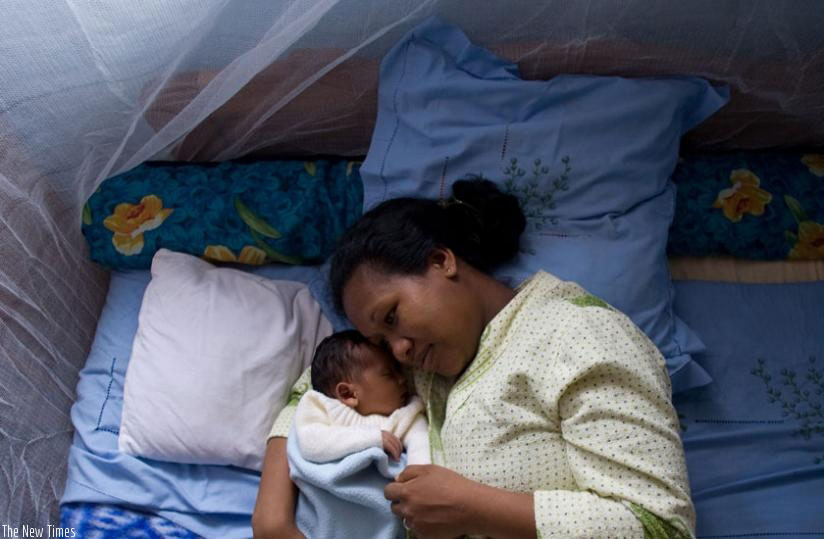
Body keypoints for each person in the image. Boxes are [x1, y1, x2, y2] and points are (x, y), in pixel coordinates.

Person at [253, 177, 695, 539]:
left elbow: (660, 527)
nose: (399, 349)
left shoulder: (575, 335)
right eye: (383, 343)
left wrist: (473, 508)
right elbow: (321, 382)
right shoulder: (416, 364)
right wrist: (272, 520)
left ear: (441, 261)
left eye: (392, 316)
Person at [295, 329, 429, 466]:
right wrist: (372, 439)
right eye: (389, 374)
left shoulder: (407, 415)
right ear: (348, 394)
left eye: (398, 370)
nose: (402, 379)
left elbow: (421, 445)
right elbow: (311, 444)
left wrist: (417, 475)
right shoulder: (319, 405)